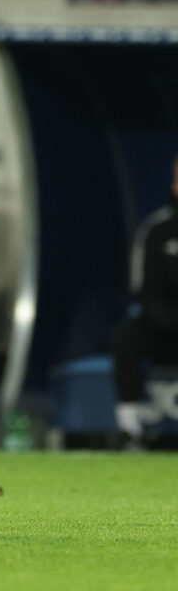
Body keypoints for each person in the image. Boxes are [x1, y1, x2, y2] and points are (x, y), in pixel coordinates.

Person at [113, 155, 178, 446]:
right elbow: (143, 286)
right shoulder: (157, 230)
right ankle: (130, 424)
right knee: (128, 335)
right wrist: (166, 320)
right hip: (163, 324)